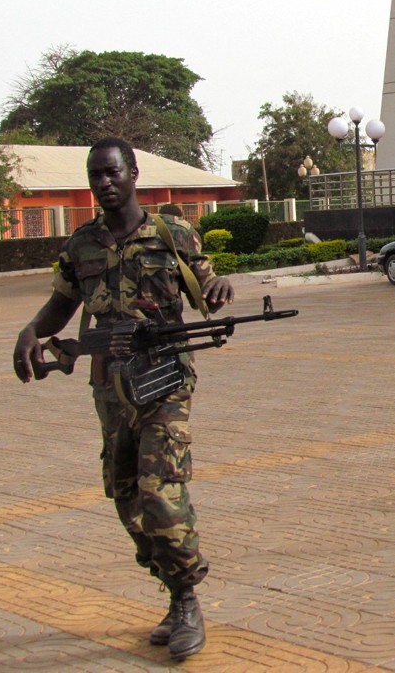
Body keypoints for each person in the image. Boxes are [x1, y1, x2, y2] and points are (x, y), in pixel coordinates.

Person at [12, 137, 234, 660]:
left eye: (112, 173)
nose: (104, 184)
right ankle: (169, 585)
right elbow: (60, 305)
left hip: (165, 381)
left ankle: (186, 600)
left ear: (134, 174)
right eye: (95, 176)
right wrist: (30, 332)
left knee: (160, 489)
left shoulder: (171, 232)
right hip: (110, 386)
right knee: (127, 497)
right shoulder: (81, 246)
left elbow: (207, 283)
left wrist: (220, 286)